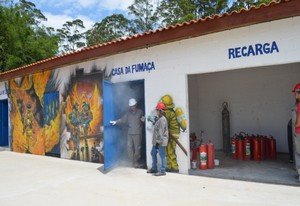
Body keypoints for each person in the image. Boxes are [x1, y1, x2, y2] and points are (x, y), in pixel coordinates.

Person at [110, 98, 145, 168]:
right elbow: (123, 120)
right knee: (129, 147)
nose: (132, 107)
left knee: (137, 149)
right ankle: (132, 161)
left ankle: (136, 161)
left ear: (136, 105)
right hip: (130, 133)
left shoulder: (140, 112)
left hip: (138, 133)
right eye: (131, 106)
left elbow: (144, 121)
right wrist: (115, 122)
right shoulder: (128, 114)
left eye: (133, 106)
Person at [147, 102, 169, 176]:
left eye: (157, 110)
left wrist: (158, 142)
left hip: (160, 141)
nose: (156, 111)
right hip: (156, 141)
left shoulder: (162, 120)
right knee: (153, 153)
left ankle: (163, 170)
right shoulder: (159, 118)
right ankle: (154, 168)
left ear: (160, 111)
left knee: (162, 155)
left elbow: (161, 132)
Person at [292, 83, 300, 180]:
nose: (295, 95)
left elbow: (298, 122)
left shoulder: (299, 105)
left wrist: (295, 127)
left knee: (298, 153)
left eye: (296, 93)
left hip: (298, 133)